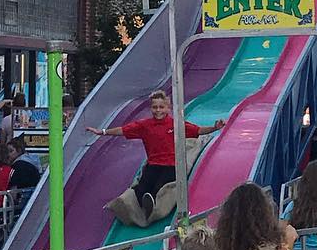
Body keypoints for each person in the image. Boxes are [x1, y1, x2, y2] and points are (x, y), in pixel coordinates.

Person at [86, 91, 225, 219]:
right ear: (151, 108)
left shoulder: (175, 125)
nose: (158, 110)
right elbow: (123, 130)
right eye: (155, 107)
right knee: (141, 189)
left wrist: (214, 128)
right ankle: (140, 205)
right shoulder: (145, 125)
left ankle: (154, 206)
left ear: (167, 108)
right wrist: (102, 132)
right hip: (153, 164)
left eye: (161, 107)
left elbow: (198, 130)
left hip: (171, 165)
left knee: (159, 187)